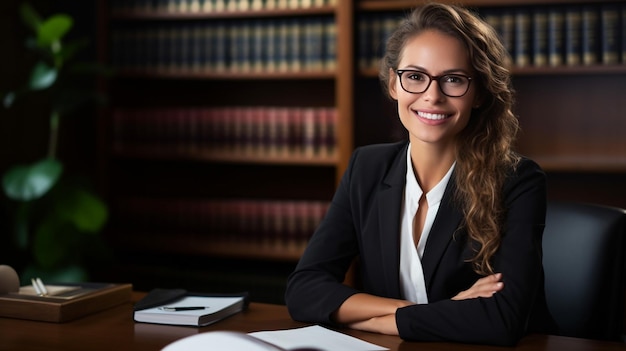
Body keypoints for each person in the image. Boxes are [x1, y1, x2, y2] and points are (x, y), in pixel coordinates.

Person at [284, 2, 555, 346]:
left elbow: (501, 319)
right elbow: (304, 291)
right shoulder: (366, 168)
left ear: (479, 93)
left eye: (454, 80)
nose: (432, 96)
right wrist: (420, 311)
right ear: (394, 85)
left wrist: (381, 321)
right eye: (415, 77)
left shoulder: (517, 180)